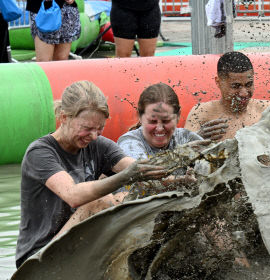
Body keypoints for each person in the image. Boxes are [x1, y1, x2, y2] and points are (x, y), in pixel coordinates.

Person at [15, 81, 169, 268]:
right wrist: (127, 176)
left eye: (100, 129)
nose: (94, 136)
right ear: (64, 117)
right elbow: (73, 195)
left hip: (78, 244)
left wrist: (181, 178)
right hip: (37, 256)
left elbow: (142, 169)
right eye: (87, 128)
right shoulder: (40, 153)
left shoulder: (98, 145)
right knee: (100, 202)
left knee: (127, 197)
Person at [184, 51, 270, 141]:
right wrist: (195, 138)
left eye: (249, 84)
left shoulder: (265, 110)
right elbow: (182, 150)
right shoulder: (201, 113)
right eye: (236, 86)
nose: (244, 93)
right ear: (218, 82)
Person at [118, 83, 204, 160]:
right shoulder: (128, 142)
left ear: (178, 116)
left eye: (166, 121)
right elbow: (142, 173)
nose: (159, 128)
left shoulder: (186, 138)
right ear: (139, 116)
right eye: (152, 121)